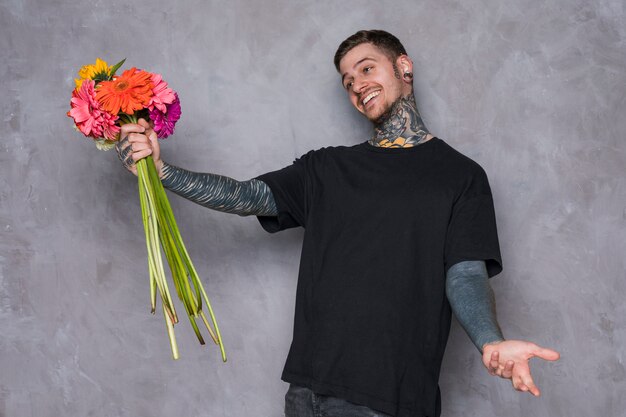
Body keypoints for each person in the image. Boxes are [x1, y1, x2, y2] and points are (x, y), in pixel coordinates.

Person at [116, 30, 560, 417]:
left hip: (389, 400)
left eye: (367, 69)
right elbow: (246, 195)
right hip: (306, 394)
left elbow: (464, 272)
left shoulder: (461, 176)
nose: (357, 85)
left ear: (403, 66)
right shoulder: (326, 168)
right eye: (348, 81)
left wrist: (490, 342)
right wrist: (162, 172)